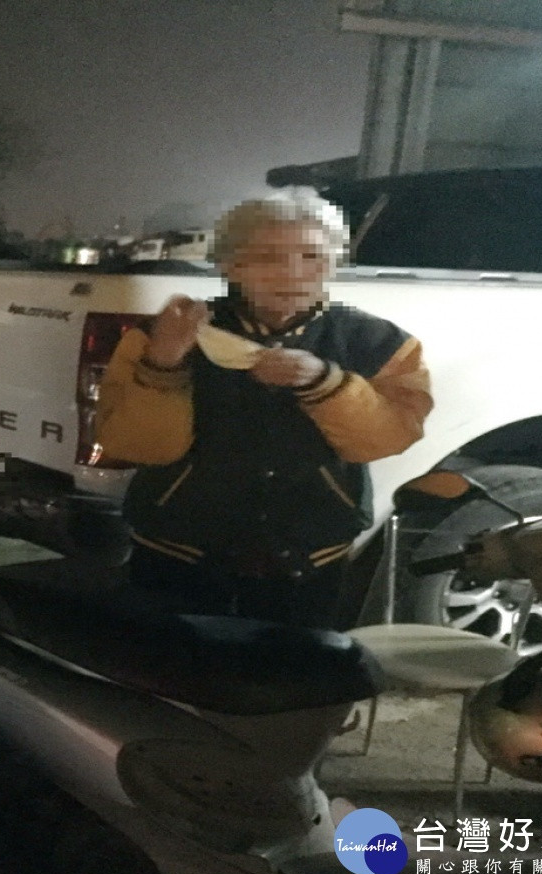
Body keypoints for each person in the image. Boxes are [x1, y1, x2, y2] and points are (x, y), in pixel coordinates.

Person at [96, 189, 433, 630]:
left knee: (292, 667)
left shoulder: (380, 343)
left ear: (334, 263)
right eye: (268, 256)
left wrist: (326, 383)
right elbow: (136, 445)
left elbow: (389, 437)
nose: (292, 272)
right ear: (229, 264)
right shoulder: (168, 332)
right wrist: (163, 363)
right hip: (176, 549)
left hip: (310, 558)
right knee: (167, 663)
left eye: (312, 256)